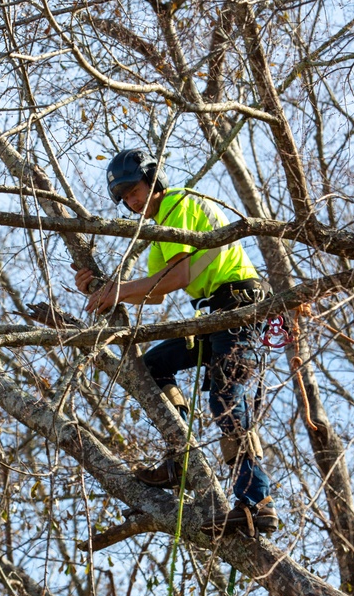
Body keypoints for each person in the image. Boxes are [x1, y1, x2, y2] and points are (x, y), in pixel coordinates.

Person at [74, 149, 278, 535]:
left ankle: (257, 501)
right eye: (126, 198)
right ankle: (179, 456)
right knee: (154, 366)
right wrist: (102, 290)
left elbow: (179, 275)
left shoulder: (177, 203)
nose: (133, 202)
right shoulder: (158, 235)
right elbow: (153, 293)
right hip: (212, 315)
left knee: (225, 396)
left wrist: (116, 291)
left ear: (153, 179)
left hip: (239, 304)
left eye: (135, 190)